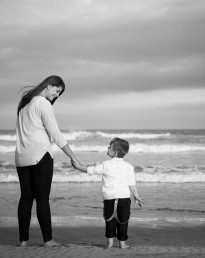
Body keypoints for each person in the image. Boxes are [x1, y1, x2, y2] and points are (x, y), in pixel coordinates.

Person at [15, 75, 80, 247]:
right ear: (49, 86)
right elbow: (55, 134)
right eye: (57, 91)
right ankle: (48, 240)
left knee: (26, 198)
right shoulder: (42, 103)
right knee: (42, 199)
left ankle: (23, 241)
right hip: (40, 156)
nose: (57, 96)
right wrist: (73, 157)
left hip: (21, 157)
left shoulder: (24, 103)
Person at [72, 137, 143, 249]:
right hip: (124, 199)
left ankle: (109, 243)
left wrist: (78, 167)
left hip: (109, 199)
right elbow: (132, 184)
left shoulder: (105, 164)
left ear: (114, 152)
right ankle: (122, 244)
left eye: (109, 147)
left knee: (109, 220)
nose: (107, 148)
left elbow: (91, 170)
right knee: (123, 221)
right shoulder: (129, 166)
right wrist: (137, 196)